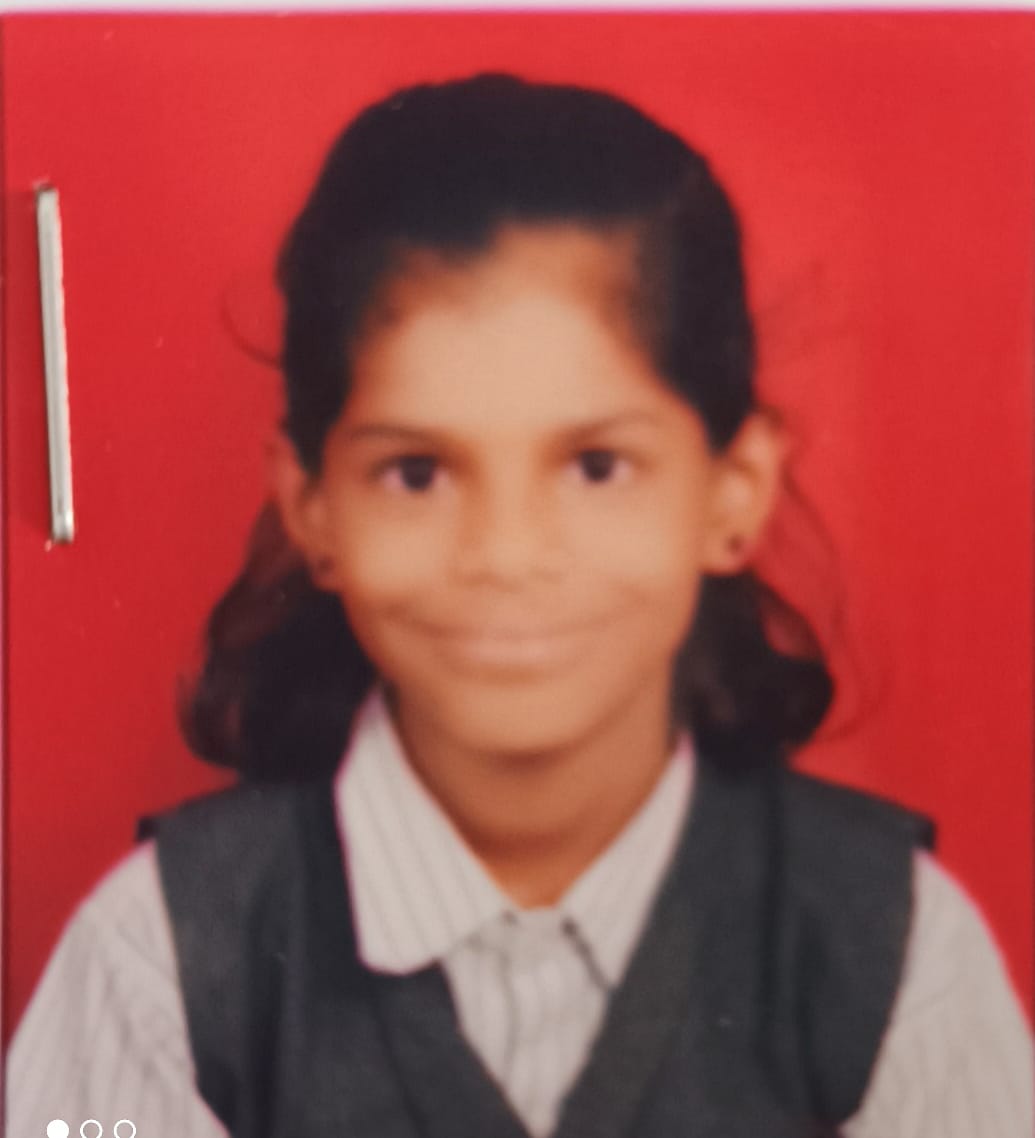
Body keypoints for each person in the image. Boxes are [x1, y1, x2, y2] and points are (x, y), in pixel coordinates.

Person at [7, 74, 1031, 1138]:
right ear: (312, 506)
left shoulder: (898, 953)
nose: (504, 556)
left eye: (596, 466)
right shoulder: (155, 965)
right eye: (416, 473)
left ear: (733, 492)